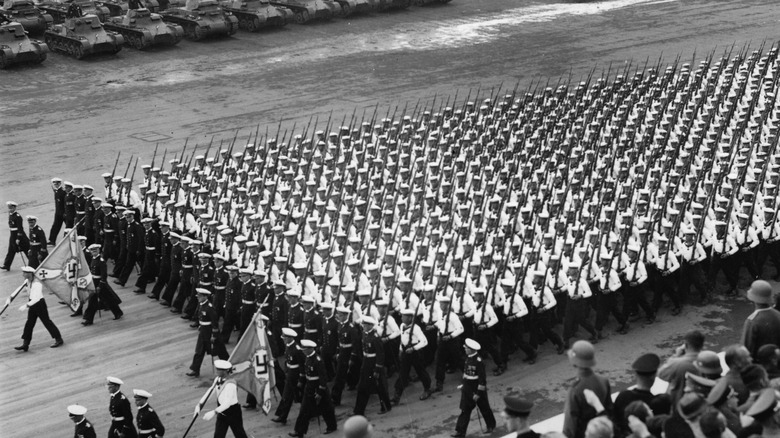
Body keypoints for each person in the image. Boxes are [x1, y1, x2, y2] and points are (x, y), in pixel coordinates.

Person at [563, 340, 612, 438]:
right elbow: (609, 408)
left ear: (574, 363)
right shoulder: (603, 380)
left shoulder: (575, 389)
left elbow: (570, 423)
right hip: (602, 430)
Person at [290, 339, 338, 437]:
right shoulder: (307, 357)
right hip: (309, 388)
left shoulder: (318, 360)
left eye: (305, 349)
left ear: (310, 349)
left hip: (318, 388)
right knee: (304, 410)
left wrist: (320, 392)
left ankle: (332, 426)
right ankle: (299, 431)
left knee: (327, 409)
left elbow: (323, 378)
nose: (303, 351)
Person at [452, 338, 496, 437]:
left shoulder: (478, 361)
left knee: (484, 408)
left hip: (476, 389)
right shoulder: (468, 358)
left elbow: (482, 380)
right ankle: (460, 431)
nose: (465, 349)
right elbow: (466, 374)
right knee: (465, 410)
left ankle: (490, 425)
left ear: (471, 349)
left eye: (467, 348)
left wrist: (478, 394)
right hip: (467, 389)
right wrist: (463, 385)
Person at [14, 266, 63, 351]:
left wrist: (26, 305)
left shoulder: (37, 284)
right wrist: (10, 297)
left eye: (24, 273)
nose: (23, 274)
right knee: (29, 323)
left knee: (47, 322)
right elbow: (19, 289)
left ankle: (58, 339)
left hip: (39, 304)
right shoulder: (27, 281)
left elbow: (36, 298)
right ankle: (25, 344)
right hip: (32, 303)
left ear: (29, 274)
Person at [613, 353, 663, 434]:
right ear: (654, 376)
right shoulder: (658, 403)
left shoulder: (623, 396)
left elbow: (615, 421)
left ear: (635, 375)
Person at [187, 288, 229, 377]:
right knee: (199, 351)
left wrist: (214, 335)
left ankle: (228, 365)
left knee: (220, 351)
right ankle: (195, 369)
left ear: (205, 297)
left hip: (210, 334)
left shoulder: (209, 308)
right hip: (203, 332)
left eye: (200, 296)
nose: (198, 298)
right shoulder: (201, 305)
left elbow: (214, 323)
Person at [201, 360, 249, 438]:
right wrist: (200, 404)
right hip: (221, 412)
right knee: (218, 436)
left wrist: (214, 412)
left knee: (240, 434)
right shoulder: (218, 379)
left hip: (233, 413)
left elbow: (227, 404)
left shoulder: (230, 384)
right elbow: (211, 390)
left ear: (225, 371)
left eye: (218, 369)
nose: (216, 371)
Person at [658, 329, 704, 404]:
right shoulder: (708, 359)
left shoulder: (678, 363)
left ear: (685, 344)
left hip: (680, 404)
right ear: (702, 344)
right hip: (701, 403)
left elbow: (661, 374)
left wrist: (676, 356)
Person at [82, 244, 124, 325]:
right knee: (92, 302)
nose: (94, 252)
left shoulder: (101, 261)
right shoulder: (93, 259)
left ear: (98, 251)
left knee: (109, 300)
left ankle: (118, 312)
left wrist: (100, 286)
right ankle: (88, 319)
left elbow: (104, 276)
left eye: (95, 250)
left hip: (100, 284)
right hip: (94, 283)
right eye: (92, 251)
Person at [741, 279, 780, 358]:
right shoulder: (778, 314)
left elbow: (746, 349)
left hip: (759, 364)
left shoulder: (752, 321)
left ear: (753, 298)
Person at [3, 201, 28, 271]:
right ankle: (6, 265)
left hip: (20, 236)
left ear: (14, 208)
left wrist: (18, 238)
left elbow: (20, 229)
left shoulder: (18, 217)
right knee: (11, 250)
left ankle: (34, 264)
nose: (10, 209)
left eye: (11, 208)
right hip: (12, 235)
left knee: (27, 249)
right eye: (9, 208)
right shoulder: (10, 215)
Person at [50, 177, 66, 245]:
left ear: (60, 183)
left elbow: (65, 202)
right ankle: (52, 240)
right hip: (58, 212)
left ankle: (65, 240)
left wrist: (65, 212)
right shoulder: (56, 191)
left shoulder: (63, 192)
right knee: (55, 226)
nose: (56, 185)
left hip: (63, 212)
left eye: (57, 183)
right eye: (54, 184)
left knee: (69, 226)